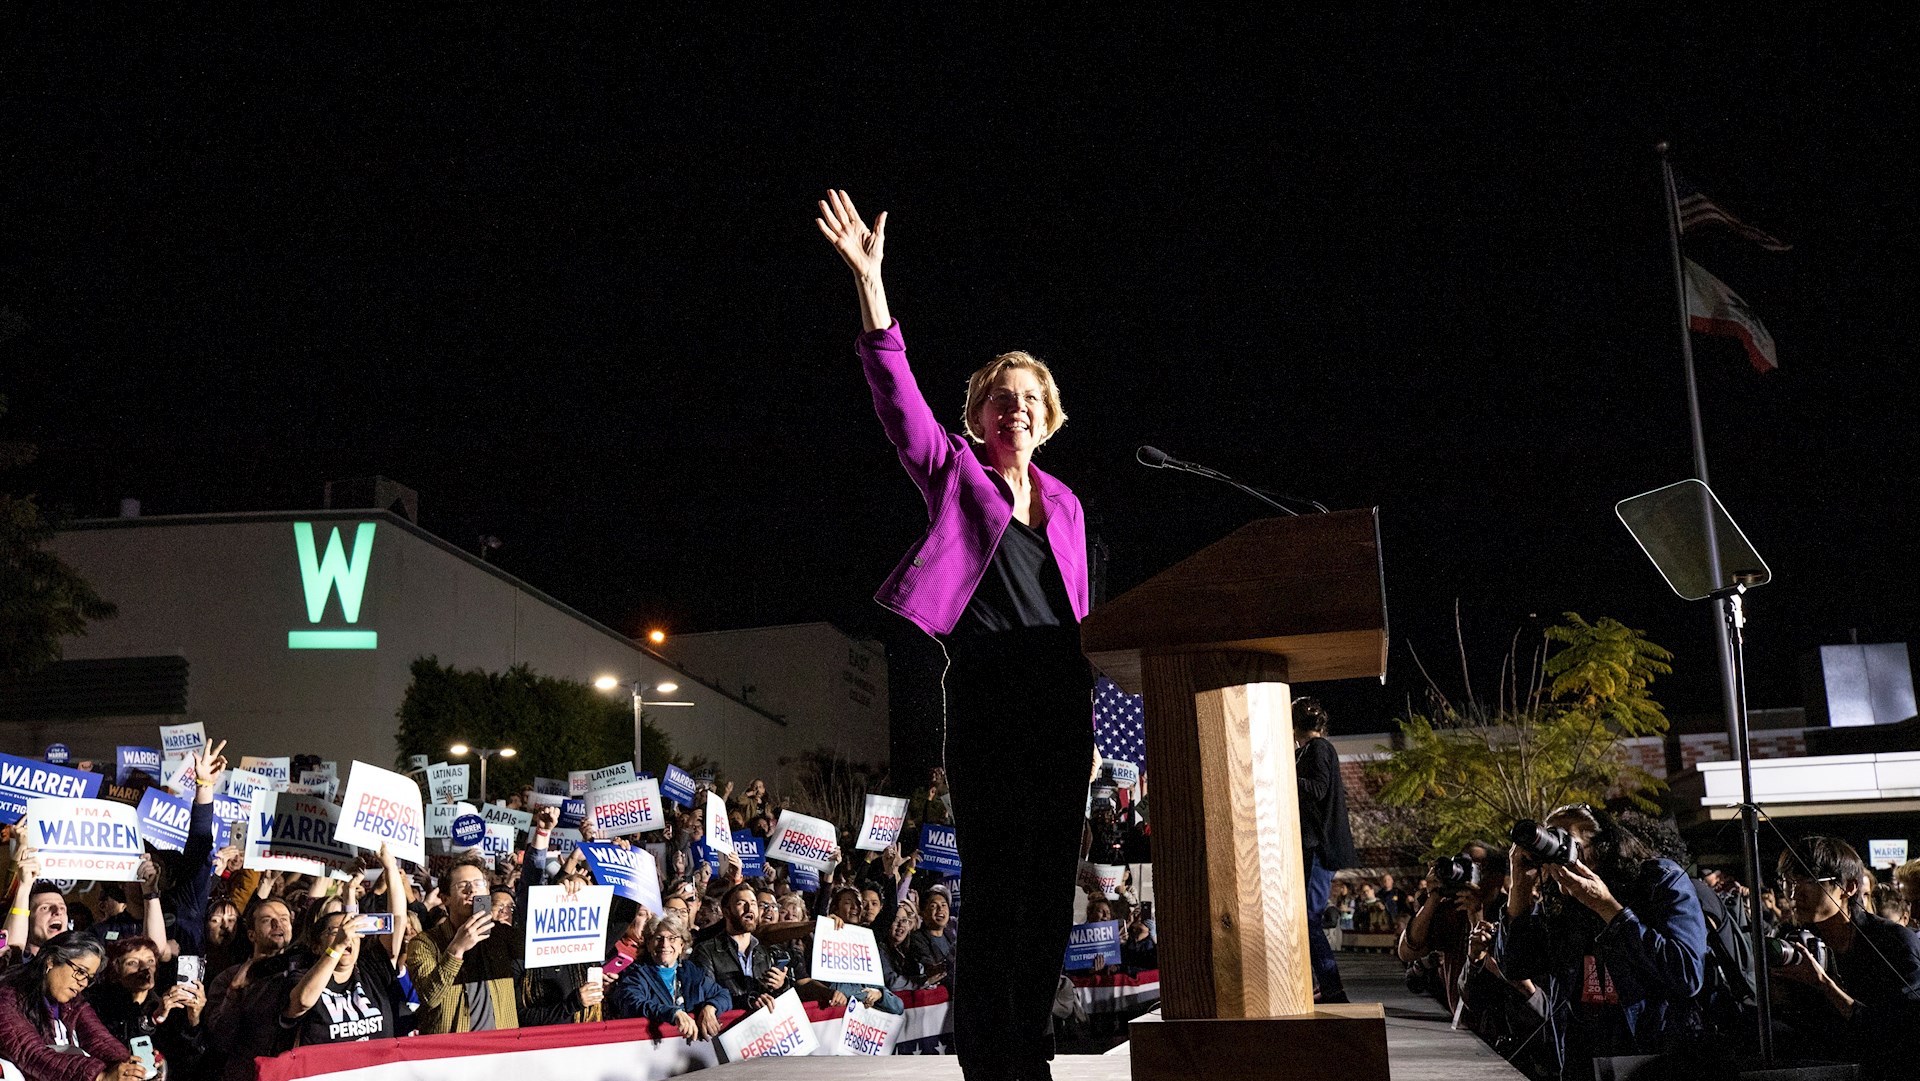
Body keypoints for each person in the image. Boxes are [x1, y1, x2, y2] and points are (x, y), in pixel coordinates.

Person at [819, 188, 1095, 1081]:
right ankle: (990, 1061)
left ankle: (1029, 1049)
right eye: (998, 398)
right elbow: (897, 402)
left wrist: (1093, 720)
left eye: (1029, 398)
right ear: (977, 416)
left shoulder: (1068, 506)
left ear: (1048, 415)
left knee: (1050, 895)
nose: (1015, 408)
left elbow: (1082, 620)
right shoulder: (956, 476)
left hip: (1062, 705)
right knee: (1001, 886)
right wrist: (871, 284)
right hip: (989, 696)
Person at [1494, 803, 1707, 1081]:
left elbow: (1687, 974)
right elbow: (1514, 966)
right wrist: (1520, 886)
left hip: (1655, 1055)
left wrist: (1607, 907)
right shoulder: (1560, 899)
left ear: (1603, 845)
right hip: (1581, 1058)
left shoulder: (1659, 879)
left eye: (1568, 841)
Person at [1771, 836, 1920, 1080]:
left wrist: (1825, 985)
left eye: (1808, 882)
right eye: (1788, 883)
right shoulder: (1793, 940)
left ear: (1849, 888)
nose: (1794, 894)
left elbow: (1901, 1031)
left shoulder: (1893, 943)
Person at [0, 931, 141, 1081]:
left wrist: (128, 1067)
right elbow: (32, 1054)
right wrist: (100, 1077)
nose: (83, 983)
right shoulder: (6, 998)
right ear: (51, 961)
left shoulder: (73, 1001)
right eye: (80, 972)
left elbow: (98, 1038)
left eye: (89, 978)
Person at [1292, 696, 1357, 1003]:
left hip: (1319, 847)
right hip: (1313, 846)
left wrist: (1285, 774)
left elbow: (1318, 789)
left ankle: (1333, 988)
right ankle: (1323, 985)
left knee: (1308, 919)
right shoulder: (1309, 750)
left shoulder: (1319, 748)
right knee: (1305, 919)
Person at [86, 936, 207, 1077]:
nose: (144, 968)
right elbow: (111, 1046)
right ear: (116, 969)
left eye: (150, 961)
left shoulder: (168, 1004)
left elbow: (191, 1059)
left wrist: (194, 1019)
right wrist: (153, 1019)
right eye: (132, 963)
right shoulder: (101, 1003)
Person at [607, 913, 736, 1036]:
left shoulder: (690, 971)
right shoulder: (635, 974)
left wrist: (711, 1007)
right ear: (649, 944)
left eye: (672, 938)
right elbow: (633, 1004)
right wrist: (673, 1013)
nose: (665, 945)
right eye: (658, 938)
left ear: (681, 945)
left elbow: (723, 995)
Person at [689, 882, 788, 1012]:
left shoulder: (765, 953)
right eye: (741, 903)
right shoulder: (706, 951)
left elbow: (776, 1001)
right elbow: (707, 996)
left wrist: (781, 986)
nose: (749, 909)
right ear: (726, 912)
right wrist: (749, 1001)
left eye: (753, 903)